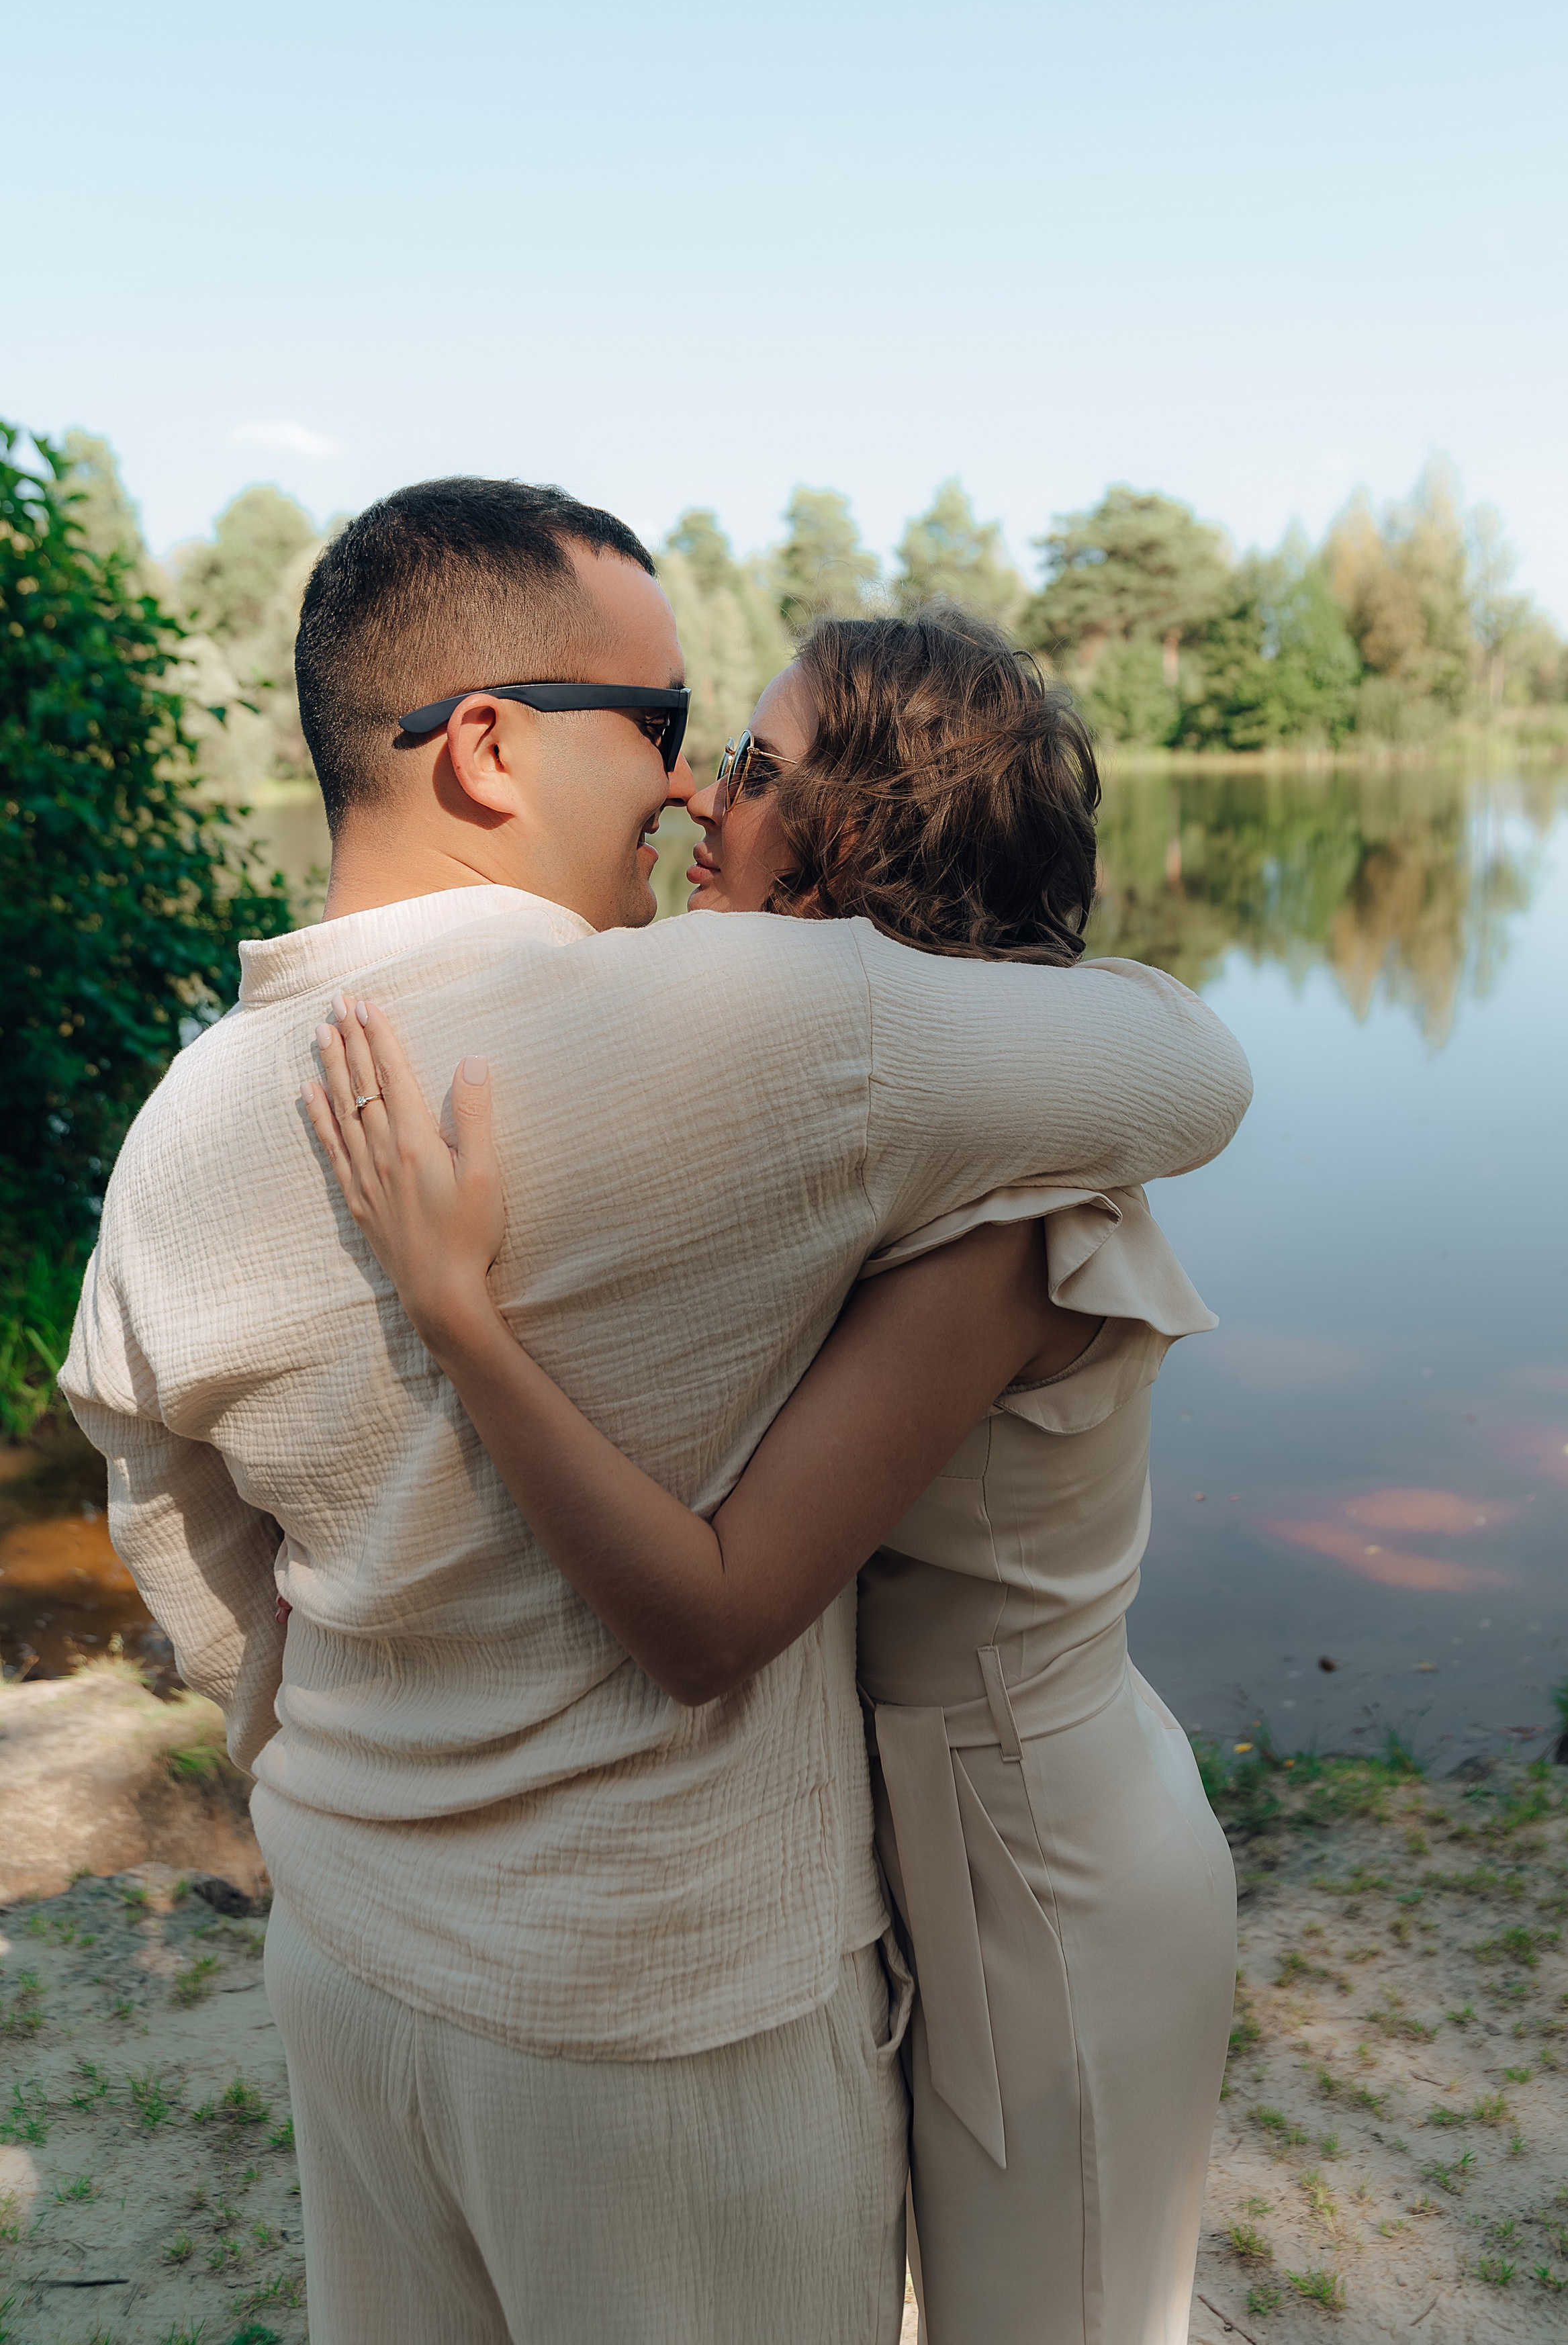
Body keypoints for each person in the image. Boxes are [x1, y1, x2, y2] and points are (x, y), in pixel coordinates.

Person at [60, 481, 1253, 2345]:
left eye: (736, 755)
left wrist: (339, 1777)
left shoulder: (180, 1129)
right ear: (487, 747)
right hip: (663, 1999)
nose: (691, 789)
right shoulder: (771, 1028)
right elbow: (1189, 1067)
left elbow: (184, 1542)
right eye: (669, 727)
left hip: (351, 1960)